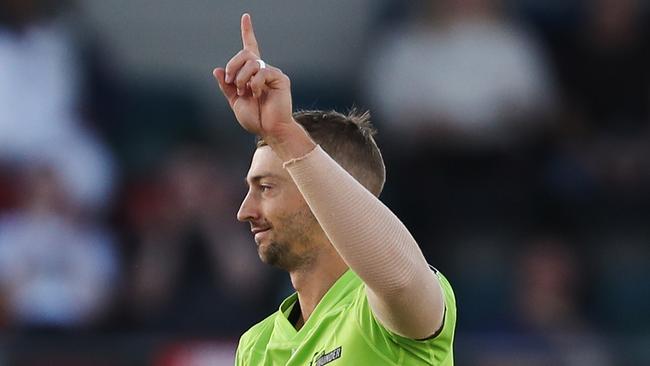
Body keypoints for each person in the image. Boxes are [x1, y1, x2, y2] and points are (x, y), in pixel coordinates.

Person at [213, 14, 456, 365]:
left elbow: (400, 281)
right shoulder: (257, 345)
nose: (244, 210)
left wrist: (285, 134)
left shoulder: (388, 306)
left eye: (265, 187)